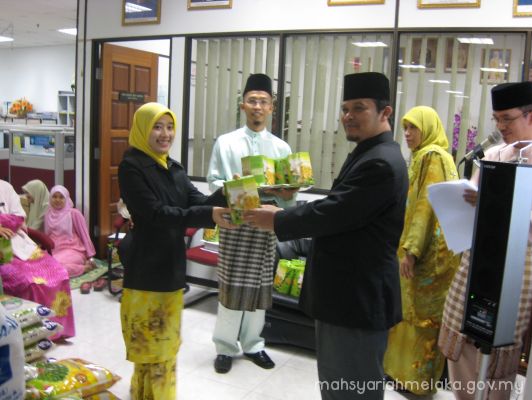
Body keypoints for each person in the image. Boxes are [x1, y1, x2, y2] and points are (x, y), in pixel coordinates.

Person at [244, 72, 409, 400]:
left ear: (385, 112)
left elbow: (335, 212)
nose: (348, 116)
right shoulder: (369, 152)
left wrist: (278, 219)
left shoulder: (380, 162)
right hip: (346, 297)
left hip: (355, 301)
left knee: (350, 390)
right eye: (345, 108)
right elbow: (341, 209)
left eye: (359, 108)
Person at [118, 102, 233, 400]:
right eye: (157, 127)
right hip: (146, 267)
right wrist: (209, 215)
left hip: (171, 265)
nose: (165, 134)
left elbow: (199, 202)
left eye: (170, 127)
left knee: (164, 344)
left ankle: (144, 394)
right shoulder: (132, 167)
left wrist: (231, 191)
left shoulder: (173, 167)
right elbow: (156, 214)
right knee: (151, 345)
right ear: (143, 129)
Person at [438, 81, 532, 400]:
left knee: (500, 351)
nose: (501, 126)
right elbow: (473, 199)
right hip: (477, 260)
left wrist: (498, 204)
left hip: (520, 266)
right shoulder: (494, 155)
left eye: (507, 118)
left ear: (531, 115)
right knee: (463, 337)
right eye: (497, 119)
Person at [206, 73, 297, 374]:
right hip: (235, 223)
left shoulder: (282, 149)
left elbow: (287, 197)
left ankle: (254, 344)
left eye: (263, 101)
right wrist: (230, 184)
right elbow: (212, 181)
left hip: (265, 226)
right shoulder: (226, 143)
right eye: (252, 101)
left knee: (260, 288)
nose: (258, 106)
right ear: (243, 105)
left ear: (271, 108)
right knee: (231, 287)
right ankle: (225, 347)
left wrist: (287, 193)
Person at [382, 106, 461, 394]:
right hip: (430, 252)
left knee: (420, 318)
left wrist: (411, 251)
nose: (407, 134)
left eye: (413, 127)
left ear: (427, 128)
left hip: (427, 256)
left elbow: (426, 208)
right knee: (409, 314)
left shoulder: (432, 156)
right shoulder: (431, 155)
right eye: (405, 128)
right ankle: (402, 375)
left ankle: (416, 382)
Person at [0, 179, 75, 340]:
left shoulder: (6, 187)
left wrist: (3, 221)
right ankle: (32, 335)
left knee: (59, 272)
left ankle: (57, 330)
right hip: (3, 254)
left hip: (18, 242)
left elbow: (19, 216)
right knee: (28, 281)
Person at [44, 185, 97, 279]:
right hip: (54, 249)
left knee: (56, 265)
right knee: (41, 265)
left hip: (73, 249)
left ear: (66, 199)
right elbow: (47, 235)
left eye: (61, 197)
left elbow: (84, 235)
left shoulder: (74, 213)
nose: (57, 200)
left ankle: (83, 268)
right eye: (54, 197)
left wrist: (90, 256)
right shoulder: (48, 214)